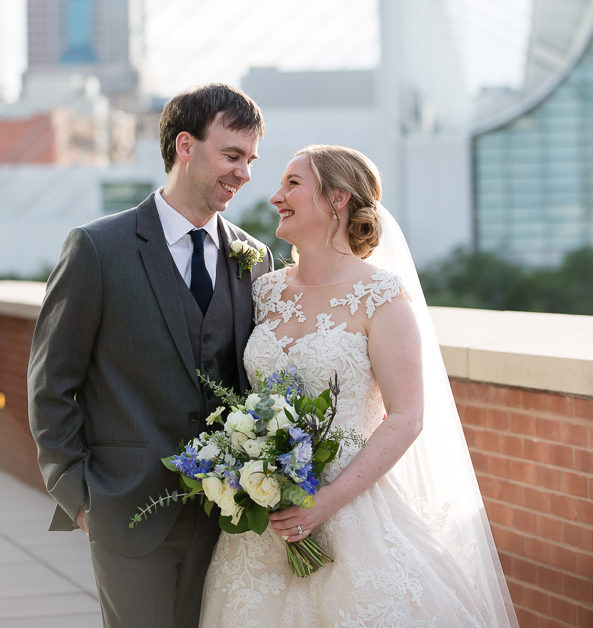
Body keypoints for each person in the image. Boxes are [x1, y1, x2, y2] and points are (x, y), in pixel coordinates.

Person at [199, 144, 518, 627]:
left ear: (338, 199)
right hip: (263, 516)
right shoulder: (262, 290)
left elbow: (407, 418)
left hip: (350, 510)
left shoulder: (382, 296)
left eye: (292, 184)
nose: (274, 197)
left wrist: (323, 503)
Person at [28, 83, 273, 628]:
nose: (245, 173)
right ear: (185, 146)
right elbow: (51, 384)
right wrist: (80, 497)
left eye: (251, 160)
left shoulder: (254, 260)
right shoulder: (97, 249)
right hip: (126, 510)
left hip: (226, 518)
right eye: (233, 155)